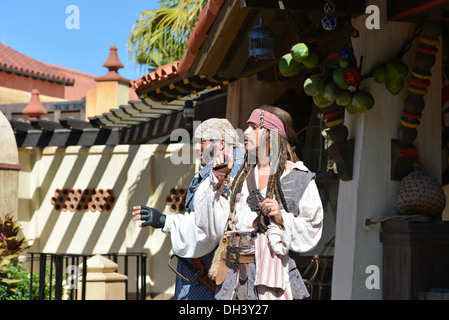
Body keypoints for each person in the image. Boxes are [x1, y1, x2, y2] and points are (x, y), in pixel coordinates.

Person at [181, 105, 323, 300]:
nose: (246, 132)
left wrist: (283, 218)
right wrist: (218, 181)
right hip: (233, 277)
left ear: (271, 136)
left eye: (255, 127)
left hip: (273, 281)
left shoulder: (298, 177)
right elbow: (209, 223)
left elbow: (312, 227)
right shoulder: (239, 173)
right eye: (247, 126)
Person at [132, 118, 244, 300]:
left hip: (213, 282)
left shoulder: (227, 171)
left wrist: (165, 221)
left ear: (222, 144)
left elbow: (213, 227)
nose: (197, 148)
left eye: (202, 142)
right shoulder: (230, 168)